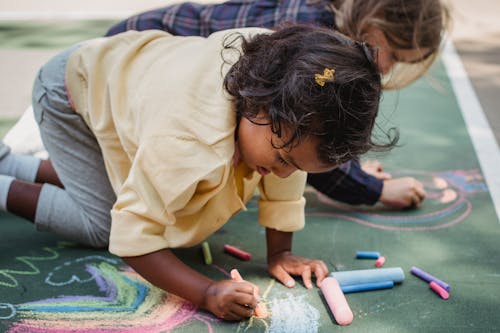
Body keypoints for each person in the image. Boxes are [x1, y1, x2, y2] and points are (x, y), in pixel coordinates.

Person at [0, 25, 394, 320]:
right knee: (101, 222)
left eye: (295, 167)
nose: (280, 174)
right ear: (259, 105)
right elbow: (132, 236)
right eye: (283, 161)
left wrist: (281, 252)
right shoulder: (189, 139)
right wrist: (205, 292)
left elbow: (289, 174)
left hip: (123, 81)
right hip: (69, 95)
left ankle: (9, 162)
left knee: (122, 187)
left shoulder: (286, 78)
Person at [104, 0, 450, 209]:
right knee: (120, 201)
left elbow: (323, 124)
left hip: (149, 57)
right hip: (130, 63)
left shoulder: (331, 26)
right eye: (394, 53)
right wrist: (376, 189)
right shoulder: (313, 34)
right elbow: (300, 135)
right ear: (375, 21)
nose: (388, 68)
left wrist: (352, 169)